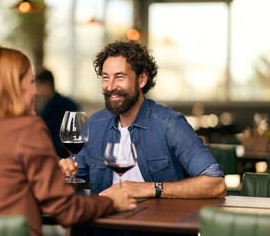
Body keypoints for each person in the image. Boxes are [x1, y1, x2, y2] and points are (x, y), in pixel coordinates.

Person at [0, 45, 136, 236]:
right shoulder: (26, 129)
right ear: (9, 87)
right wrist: (110, 202)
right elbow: (67, 211)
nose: (36, 91)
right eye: (30, 82)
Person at [59, 40, 227, 199]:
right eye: (105, 77)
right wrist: (62, 171)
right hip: (104, 227)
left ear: (141, 79)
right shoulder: (95, 124)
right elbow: (72, 179)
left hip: (157, 226)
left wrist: (148, 188)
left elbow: (216, 184)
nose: (110, 87)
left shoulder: (170, 125)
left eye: (120, 77)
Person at [35, 69, 79, 159]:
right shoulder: (49, 106)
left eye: (38, 86)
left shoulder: (60, 106)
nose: (36, 91)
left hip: (61, 159)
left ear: (46, 85)